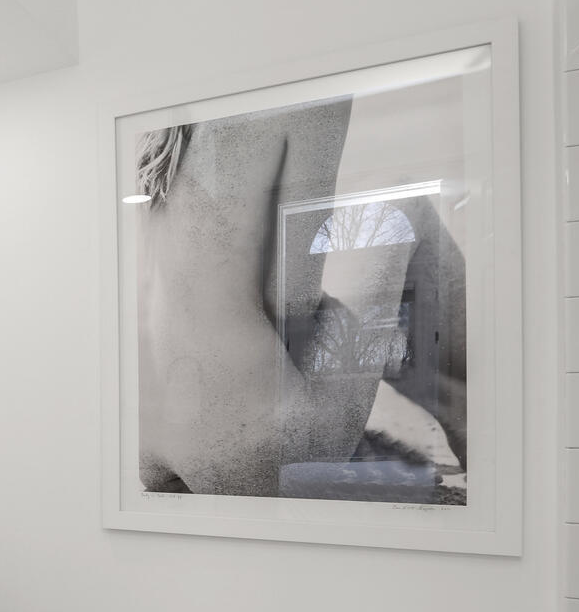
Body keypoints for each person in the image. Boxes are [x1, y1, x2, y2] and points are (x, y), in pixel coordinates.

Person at [134, 94, 467, 501]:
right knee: (400, 201)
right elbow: (293, 304)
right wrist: (379, 327)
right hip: (253, 452)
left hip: (149, 444)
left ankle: (440, 407)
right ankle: (465, 412)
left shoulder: (166, 123)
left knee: (358, 261)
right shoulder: (306, 93)